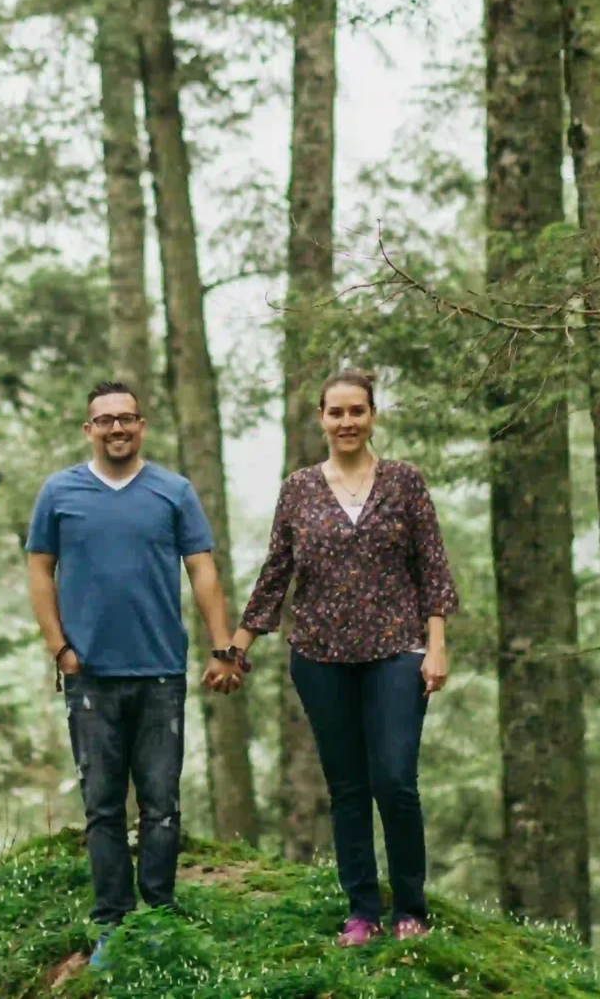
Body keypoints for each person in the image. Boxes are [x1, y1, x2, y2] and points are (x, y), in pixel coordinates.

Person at [223, 370, 457, 946]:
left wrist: (437, 645)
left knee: (396, 780)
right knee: (347, 786)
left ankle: (410, 907)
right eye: (336, 413)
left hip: (397, 650)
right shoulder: (299, 488)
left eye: (357, 411)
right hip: (320, 655)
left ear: (372, 415)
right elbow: (277, 571)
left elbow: (432, 568)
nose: (347, 422)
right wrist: (237, 645)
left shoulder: (404, 482)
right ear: (321, 419)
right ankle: (361, 911)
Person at [27, 380, 240, 960]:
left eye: (127, 418)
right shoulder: (59, 492)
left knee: (161, 802)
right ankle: (111, 922)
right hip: (89, 673)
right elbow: (40, 570)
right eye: (105, 420)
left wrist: (223, 646)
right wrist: (59, 648)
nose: (117, 428)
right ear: (88, 429)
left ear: (142, 425)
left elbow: (202, 570)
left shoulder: (173, 491)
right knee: (101, 805)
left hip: (160, 673)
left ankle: (160, 912)